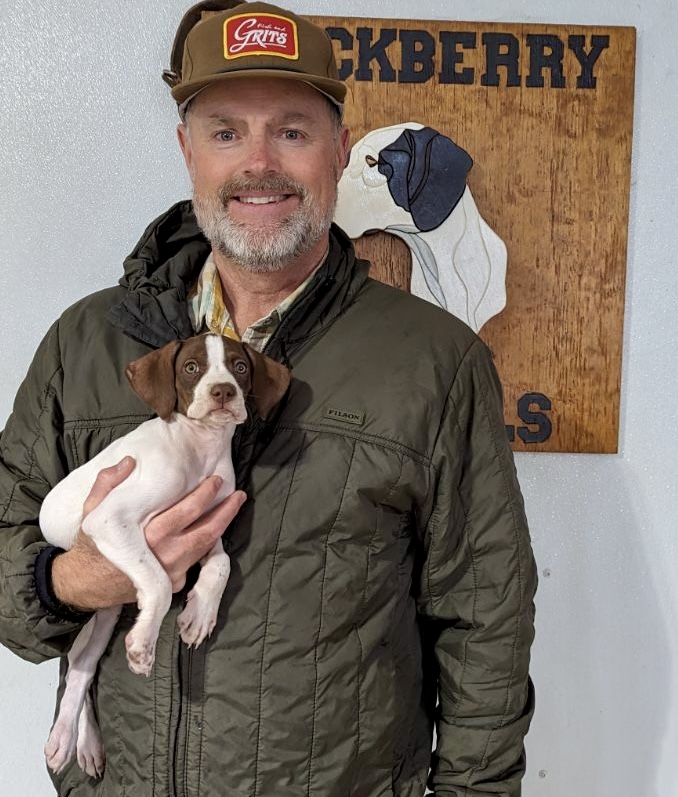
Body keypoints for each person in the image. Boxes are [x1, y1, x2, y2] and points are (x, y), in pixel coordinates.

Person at [0, 2, 537, 795]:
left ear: (340, 151)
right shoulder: (86, 345)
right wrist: (73, 580)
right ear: (188, 151)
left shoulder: (435, 361)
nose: (259, 164)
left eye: (291, 131)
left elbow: (485, 618)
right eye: (225, 132)